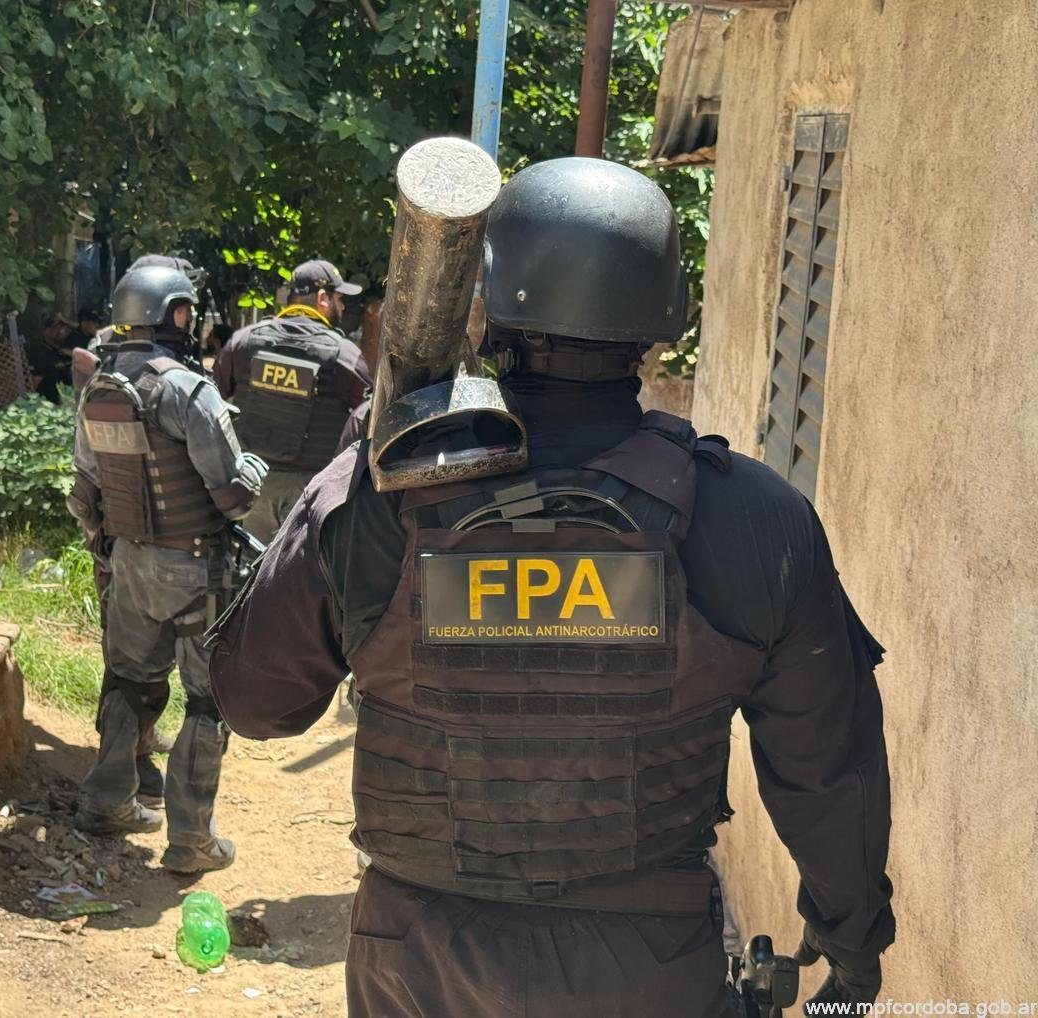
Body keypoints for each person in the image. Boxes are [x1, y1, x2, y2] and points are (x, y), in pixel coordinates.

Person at [209, 159, 895, 1015]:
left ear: (488, 308)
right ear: (659, 322)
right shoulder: (754, 518)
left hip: (419, 967)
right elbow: (830, 767)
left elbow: (257, 705)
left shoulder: (375, 497)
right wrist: (852, 948)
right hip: (650, 969)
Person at [67, 262, 266, 876]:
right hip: (197, 568)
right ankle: (191, 840)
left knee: (128, 680)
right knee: (206, 701)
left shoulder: (98, 389)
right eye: (185, 309)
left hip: (128, 562)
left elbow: (84, 492)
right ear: (172, 313)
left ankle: (107, 803)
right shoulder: (188, 390)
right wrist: (252, 471)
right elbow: (233, 497)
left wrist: (113, 547)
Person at [214, 259, 372, 541]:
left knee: (250, 565)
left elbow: (214, 400)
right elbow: (369, 415)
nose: (343, 306)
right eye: (339, 298)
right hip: (310, 492)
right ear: (322, 299)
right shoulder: (344, 356)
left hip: (251, 484)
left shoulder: (243, 342)